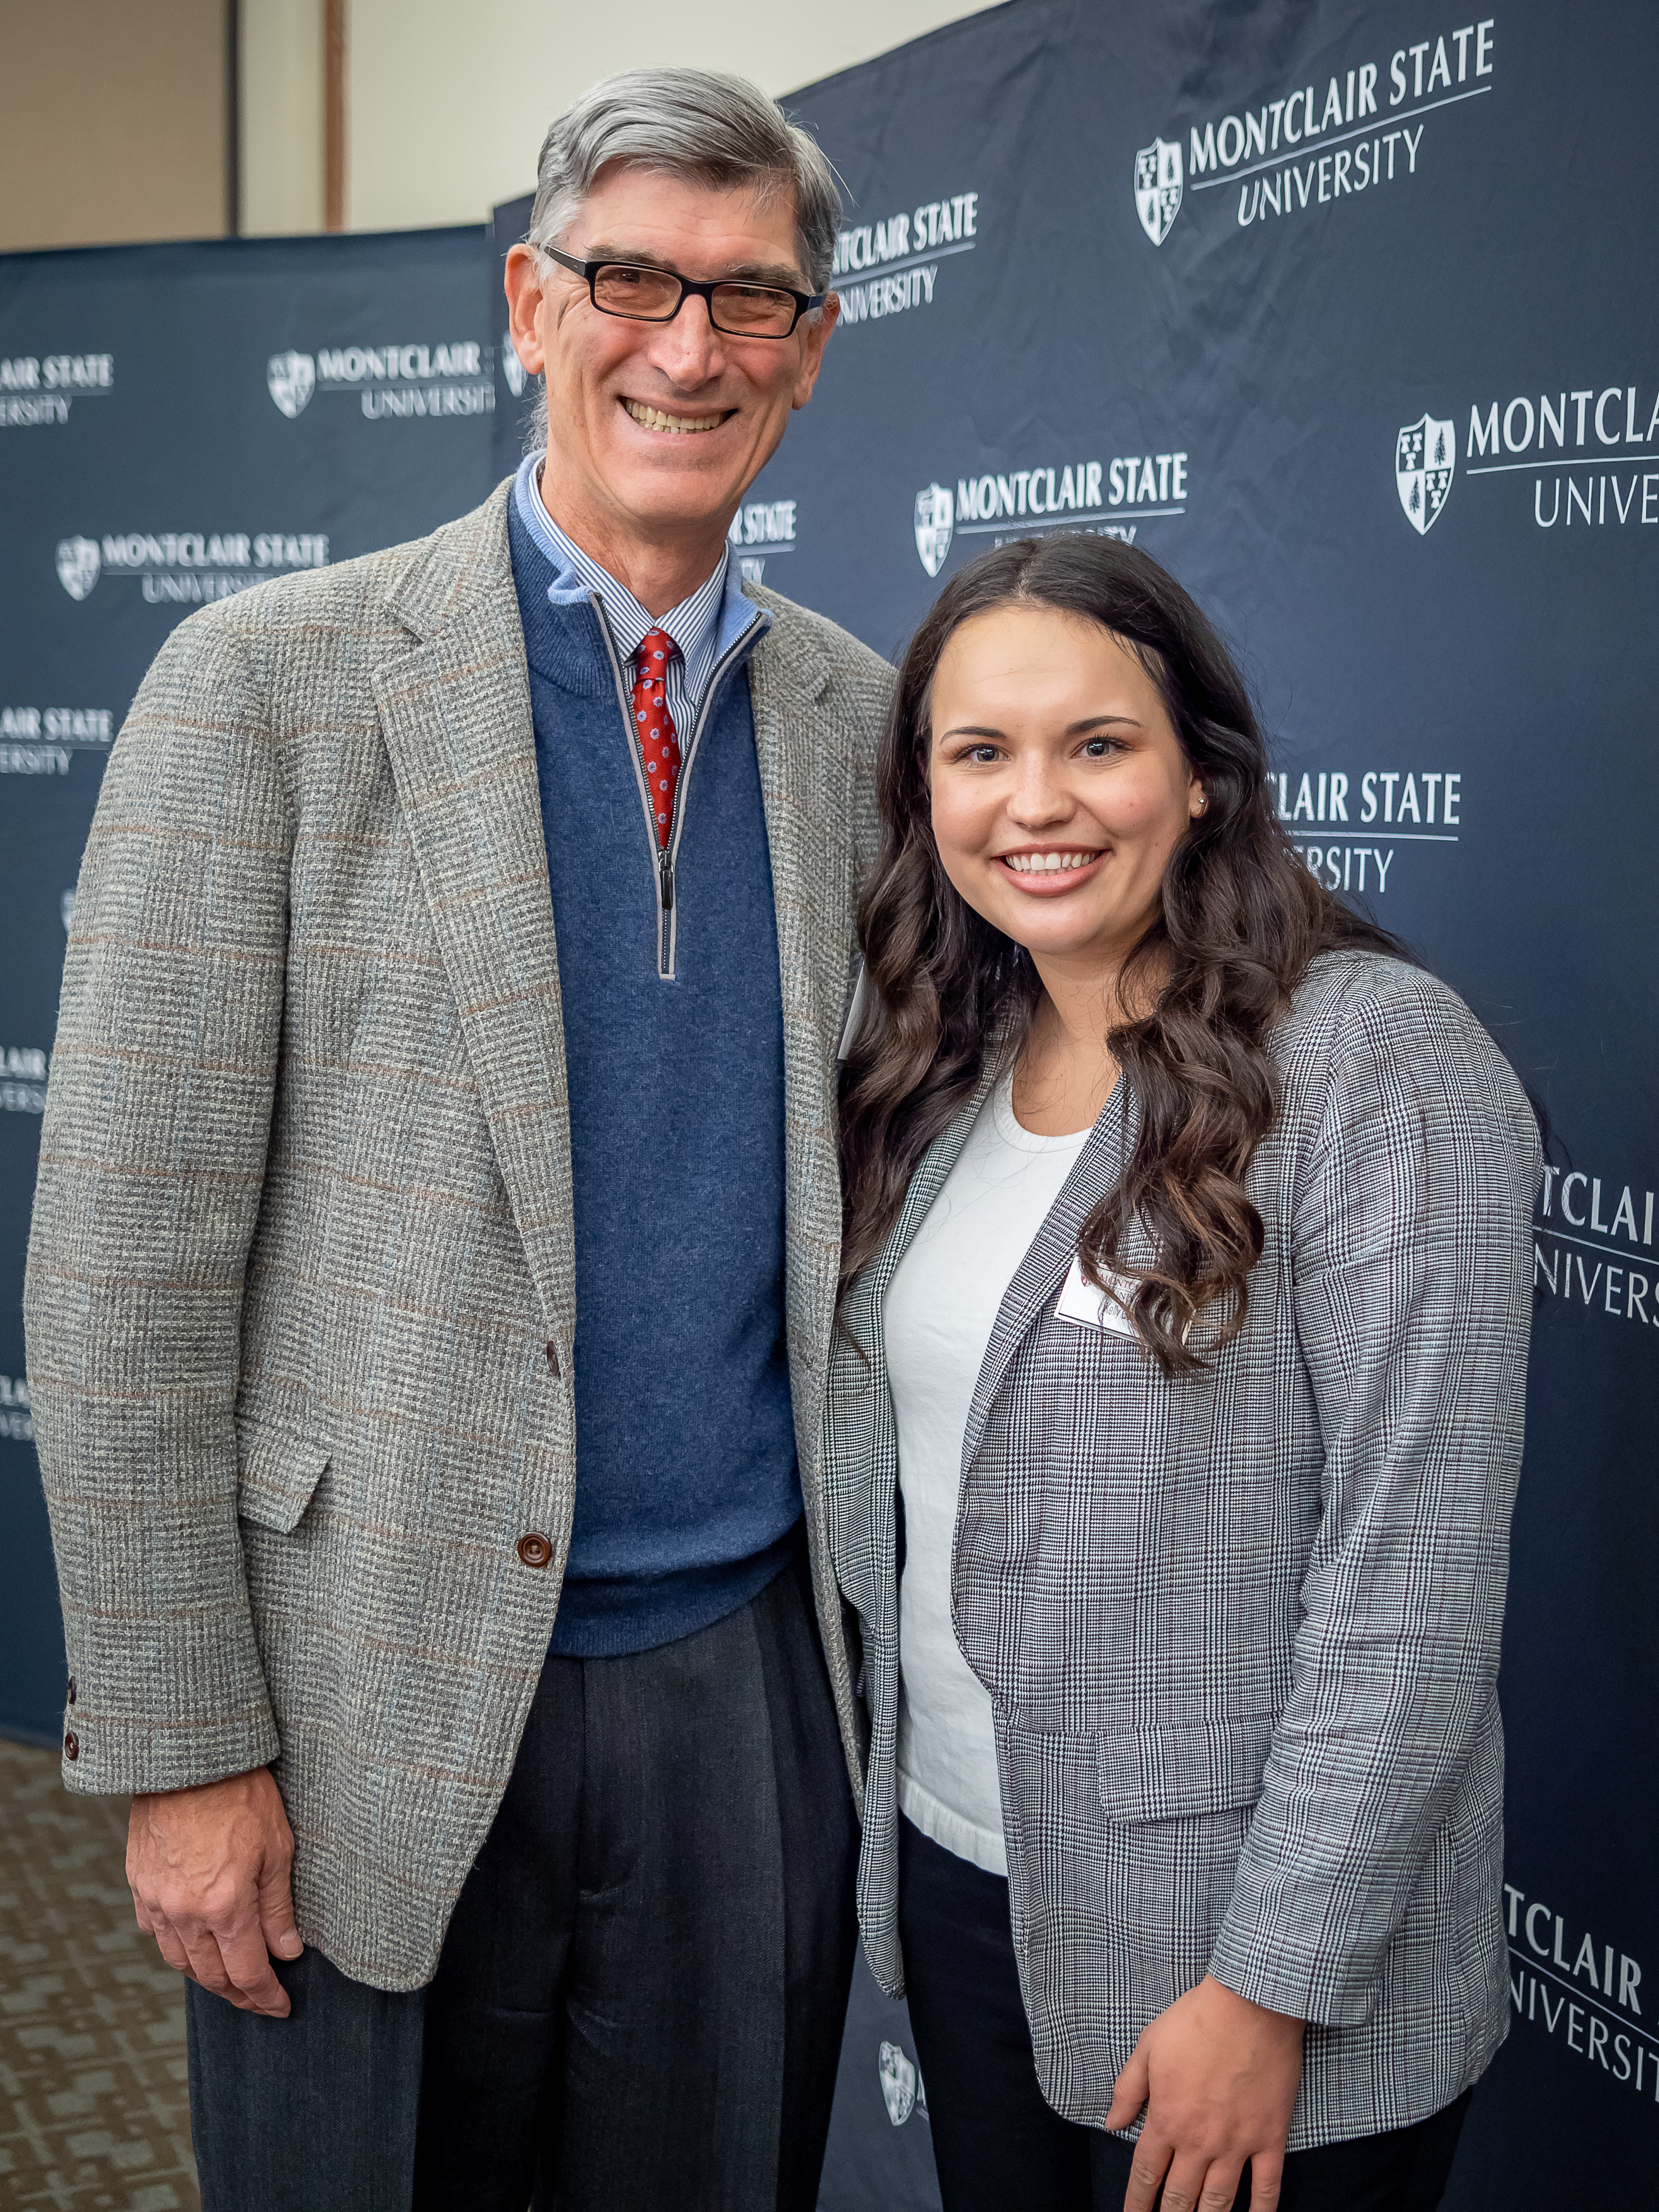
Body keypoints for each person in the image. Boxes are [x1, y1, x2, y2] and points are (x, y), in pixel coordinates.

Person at [25, 68, 892, 2211]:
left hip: (742, 1691)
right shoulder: (272, 685)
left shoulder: (870, 726)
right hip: (351, 1704)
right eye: (632, 282)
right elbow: (126, 1266)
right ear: (529, 302)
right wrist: (185, 1748)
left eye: (749, 300)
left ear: (810, 347)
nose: (687, 348)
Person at [825, 534, 1540, 2212]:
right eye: (978, 752)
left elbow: (1412, 1576)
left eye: (1098, 743)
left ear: (1201, 778)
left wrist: (1269, 1979)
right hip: (963, 1884)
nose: (1036, 803)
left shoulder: (1370, 1061)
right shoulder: (944, 1062)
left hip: (1242, 1955)